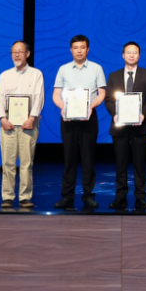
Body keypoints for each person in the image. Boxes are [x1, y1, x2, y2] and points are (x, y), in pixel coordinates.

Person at [52, 34, 106, 211]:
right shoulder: (63, 69)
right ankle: (67, 196)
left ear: (88, 49)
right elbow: (56, 94)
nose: (79, 51)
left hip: (89, 117)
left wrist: (91, 106)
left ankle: (88, 195)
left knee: (88, 158)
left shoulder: (97, 68)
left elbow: (102, 94)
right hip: (68, 118)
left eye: (82, 47)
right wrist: (63, 107)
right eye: (75, 48)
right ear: (71, 50)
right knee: (69, 158)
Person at [104, 41, 146, 212]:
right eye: (128, 52)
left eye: (135, 52)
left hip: (141, 125)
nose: (132, 55)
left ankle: (140, 197)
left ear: (139, 55)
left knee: (139, 164)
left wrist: (143, 114)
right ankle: (120, 197)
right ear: (123, 55)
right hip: (119, 126)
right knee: (120, 163)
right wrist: (116, 114)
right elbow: (109, 100)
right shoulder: (113, 76)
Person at [0, 40, 45, 211]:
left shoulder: (36, 74)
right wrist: (3, 118)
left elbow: (39, 97)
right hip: (8, 124)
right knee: (8, 163)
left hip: (28, 124)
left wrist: (32, 117)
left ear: (28, 54)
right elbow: (0, 98)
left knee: (26, 163)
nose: (17, 55)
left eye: (20, 51)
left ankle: (25, 197)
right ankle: (7, 197)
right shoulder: (5, 75)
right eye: (14, 52)